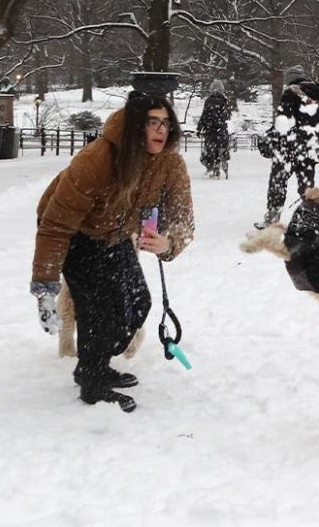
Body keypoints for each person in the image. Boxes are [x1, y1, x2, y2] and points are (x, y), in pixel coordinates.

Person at [30, 91, 195, 413]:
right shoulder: (97, 160)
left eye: (165, 123)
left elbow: (182, 219)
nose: (161, 130)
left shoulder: (170, 162)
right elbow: (54, 226)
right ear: (135, 127)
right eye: (152, 123)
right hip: (76, 232)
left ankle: (99, 361)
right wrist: (45, 288)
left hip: (117, 232)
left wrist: (169, 243)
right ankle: (92, 380)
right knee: (100, 309)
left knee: (137, 302)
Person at [257, 77, 319, 227]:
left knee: (278, 182)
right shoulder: (317, 96)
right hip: (309, 148)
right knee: (307, 187)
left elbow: (283, 122)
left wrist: (270, 137)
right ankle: (310, 219)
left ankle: (272, 218)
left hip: (288, 148)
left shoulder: (290, 94)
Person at [197, 79, 232, 178]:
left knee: (210, 150)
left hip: (210, 129)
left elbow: (204, 115)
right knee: (222, 149)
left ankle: (212, 166)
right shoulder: (225, 100)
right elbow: (228, 116)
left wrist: (200, 128)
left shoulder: (208, 100)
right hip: (221, 130)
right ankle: (222, 164)